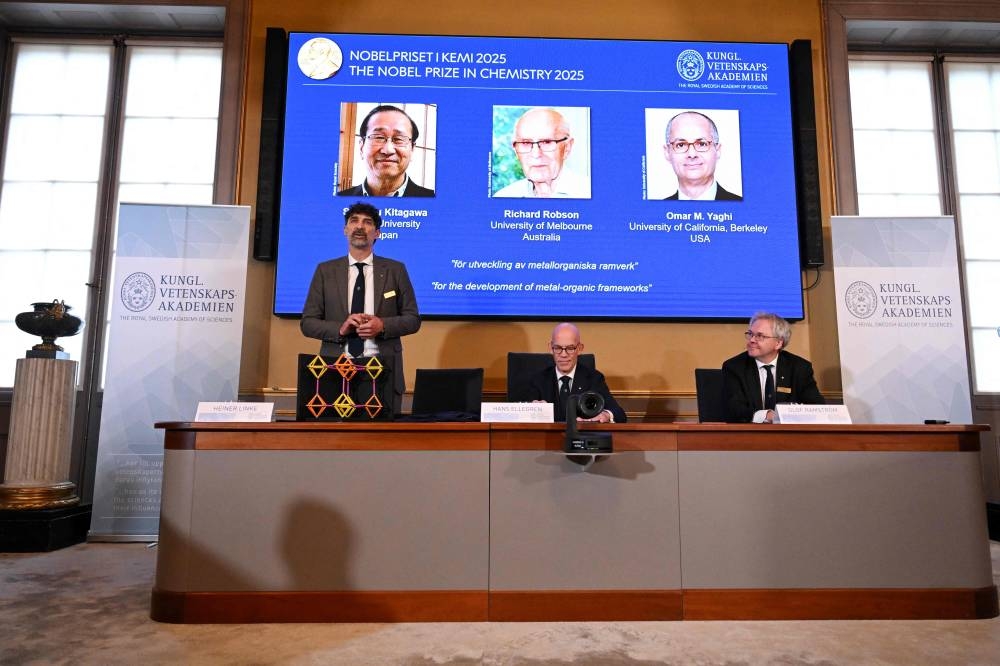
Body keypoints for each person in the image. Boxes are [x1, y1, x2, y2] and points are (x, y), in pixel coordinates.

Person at [301, 202, 421, 415]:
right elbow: (308, 323)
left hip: (382, 370)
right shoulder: (325, 271)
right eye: (354, 221)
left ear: (377, 233)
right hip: (335, 369)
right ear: (345, 229)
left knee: (382, 444)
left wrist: (382, 325)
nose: (360, 226)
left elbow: (412, 319)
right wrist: (341, 328)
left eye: (367, 222)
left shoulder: (395, 270)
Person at [721, 312, 824, 423]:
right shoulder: (734, 367)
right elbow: (734, 409)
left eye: (760, 336)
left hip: (790, 435)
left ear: (778, 343)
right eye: (750, 334)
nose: (751, 340)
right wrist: (766, 415)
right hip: (749, 434)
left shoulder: (799, 367)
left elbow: (816, 407)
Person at [522, 323, 626, 423]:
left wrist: (606, 415)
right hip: (547, 439)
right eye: (558, 348)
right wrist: (532, 410)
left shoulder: (594, 378)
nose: (563, 355)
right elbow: (521, 418)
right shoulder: (538, 380)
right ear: (550, 348)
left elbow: (619, 414)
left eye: (570, 348)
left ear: (580, 348)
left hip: (582, 438)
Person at [337, 105, 434, 197]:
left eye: (399, 139)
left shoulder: (434, 199)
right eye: (379, 137)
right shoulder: (339, 199)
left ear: (412, 149)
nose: (388, 150)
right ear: (362, 147)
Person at [493, 107, 590, 199]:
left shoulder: (589, 193)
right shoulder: (504, 197)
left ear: (567, 147)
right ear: (516, 150)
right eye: (526, 143)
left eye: (546, 142)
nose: (536, 154)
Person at [663, 111, 742, 201]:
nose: (692, 154)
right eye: (681, 145)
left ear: (718, 150)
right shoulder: (656, 210)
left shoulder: (743, 206)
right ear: (667, 152)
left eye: (701, 144)